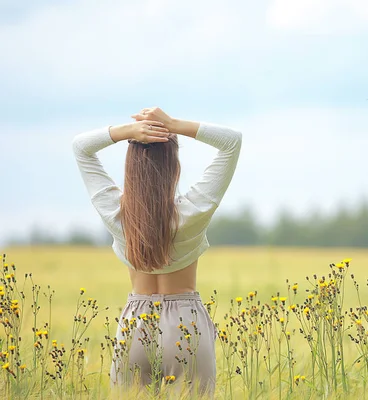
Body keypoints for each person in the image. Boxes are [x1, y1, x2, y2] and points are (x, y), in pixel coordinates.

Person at [72, 107, 242, 397]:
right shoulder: (192, 212)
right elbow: (231, 141)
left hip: (134, 326)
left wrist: (128, 132)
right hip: (185, 324)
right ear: (174, 164)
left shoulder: (117, 215)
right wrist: (172, 124)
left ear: (130, 166)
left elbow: (81, 147)